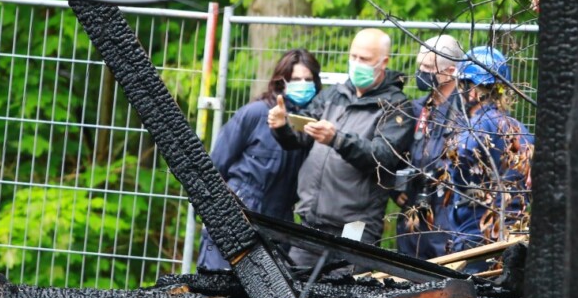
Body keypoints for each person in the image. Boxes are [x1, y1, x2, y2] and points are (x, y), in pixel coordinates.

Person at [269, 28, 413, 262]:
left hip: (355, 227)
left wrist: (337, 139)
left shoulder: (396, 106)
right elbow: (299, 138)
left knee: (343, 294)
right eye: (353, 56)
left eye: (364, 59)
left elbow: (382, 158)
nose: (356, 64)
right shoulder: (334, 94)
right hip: (311, 222)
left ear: (383, 61)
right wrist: (281, 127)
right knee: (293, 291)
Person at [197, 49, 322, 270]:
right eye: (295, 79)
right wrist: (215, 213)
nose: (302, 84)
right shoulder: (255, 114)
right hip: (237, 215)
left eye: (308, 79)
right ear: (281, 81)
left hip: (280, 222)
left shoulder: (312, 126)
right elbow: (213, 167)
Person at [433, 46, 534, 256]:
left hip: (476, 234)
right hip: (512, 232)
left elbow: (461, 160)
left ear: (470, 89)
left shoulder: (478, 125)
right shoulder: (516, 127)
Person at [395, 35, 465, 260]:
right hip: (412, 214)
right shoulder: (417, 109)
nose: (421, 73)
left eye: (428, 67)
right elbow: (396, 153)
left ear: (451, 71)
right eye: (420, 66)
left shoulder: (464, 115)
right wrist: (395, 187)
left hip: (445, 215)